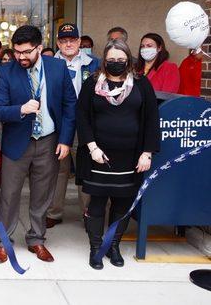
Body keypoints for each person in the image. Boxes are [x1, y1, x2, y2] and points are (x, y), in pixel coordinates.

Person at [0, 25, 76, 264]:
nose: (21, 57)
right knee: (9, 195)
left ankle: (36, 239)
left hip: (49, 141)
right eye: (17, 52)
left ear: (39, 47)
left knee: (42, 195)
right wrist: (20, 109)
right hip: (17, 143)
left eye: (27, 52)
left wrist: (66, 140)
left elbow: (70, 106)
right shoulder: (6, 72)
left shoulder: (58, 67)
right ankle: (2, 242)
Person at [76, 39, 159, 269]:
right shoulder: (92, 83)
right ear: (104, 60)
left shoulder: (141, 84)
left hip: (131, 157)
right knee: (96, 204)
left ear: (128, 60)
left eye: (121, 60)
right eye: (111, 60)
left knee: (122, 204)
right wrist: (92, 147)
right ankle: (95, 248)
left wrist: (147, 153)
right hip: (98, 156)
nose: (116, 63)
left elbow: (152, 119)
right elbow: (81, 117)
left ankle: (113, 246)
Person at [46, 23, 99, 228]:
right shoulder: (48, 63)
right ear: (58, 42)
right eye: (63, 40)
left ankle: (88, 213)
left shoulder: (93, 63)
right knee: (58, 169)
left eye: (72, 40)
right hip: (59, 124)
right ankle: (54, 212)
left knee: (86, 169)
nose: (68, 43)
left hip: (86, 124)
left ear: (79, 41)